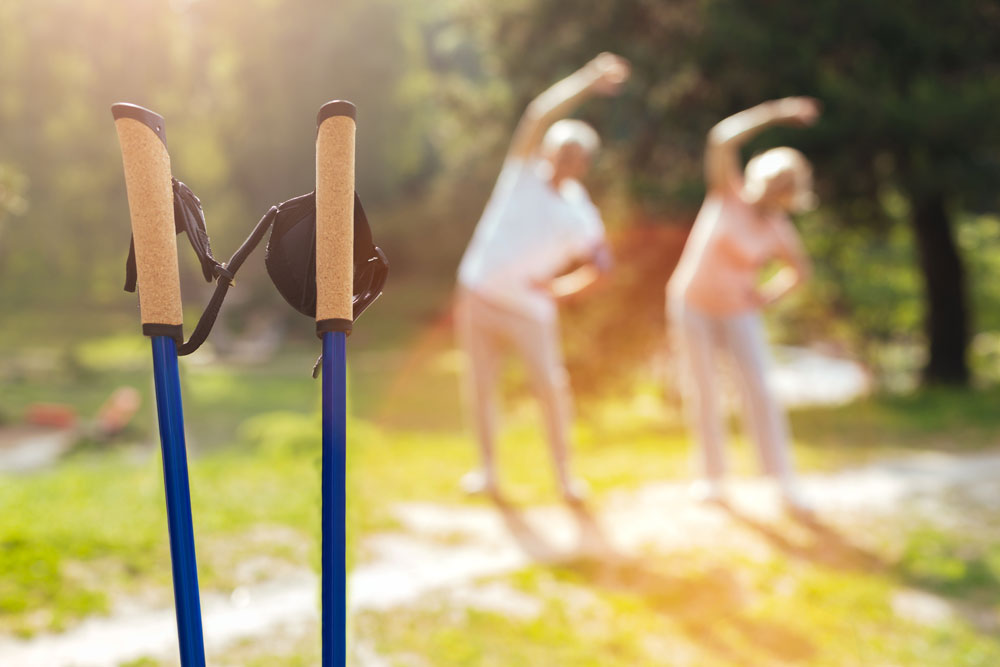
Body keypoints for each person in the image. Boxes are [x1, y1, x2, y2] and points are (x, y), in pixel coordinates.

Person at [456, 53, 630, 502]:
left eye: (576, 155)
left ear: (584, 164)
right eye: (560, 150)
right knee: (480, 389)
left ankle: (566, 478)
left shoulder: (581, 213)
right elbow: (539, 113)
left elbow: (602, 267)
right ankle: (488, 473)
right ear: (548, 151)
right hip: (477, 294)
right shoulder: (521, 176)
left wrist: (559, 291)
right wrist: (590, 80)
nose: (565, 160)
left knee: (550, 392)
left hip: (530, 311)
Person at [667, 97, 820, 512]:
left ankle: (782, 480)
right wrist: (778, 113)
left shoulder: (779, 230)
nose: (775, 190)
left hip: (739, 312)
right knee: (704, 391)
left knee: (758, 391)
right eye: (773, 180)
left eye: (785, 186)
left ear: (791, 193)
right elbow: (721, 139)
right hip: (692, 304)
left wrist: (766, 296)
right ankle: (712, 479)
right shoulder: (726, 194)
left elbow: (799, 272)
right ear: (760, 177)